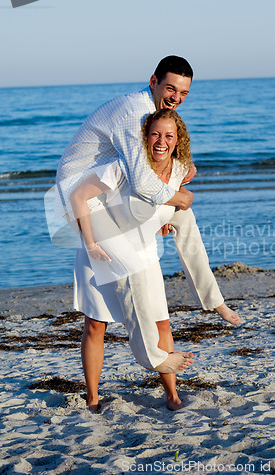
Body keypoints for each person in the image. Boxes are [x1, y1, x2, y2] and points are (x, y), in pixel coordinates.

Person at [55, 56, 241, 411]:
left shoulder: (152, 118)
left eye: (183, 92)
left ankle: (210, 305)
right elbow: (141, 181)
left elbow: (157, 170)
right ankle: (131, 373)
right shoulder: (136, 116)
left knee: (180, 226)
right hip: (85, 206)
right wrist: (180, 196)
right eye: (170, 88)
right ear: (153, 81)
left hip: (116, 206)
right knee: (100, 317)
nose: (175, 96)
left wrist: (176, 193)